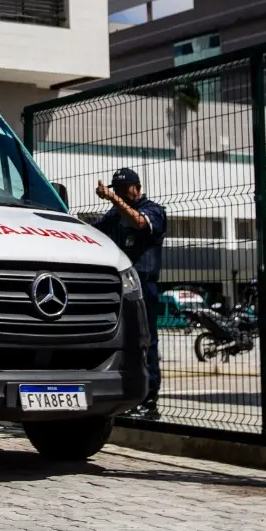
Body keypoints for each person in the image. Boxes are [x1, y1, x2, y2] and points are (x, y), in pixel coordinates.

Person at [94, 168, 167, 418]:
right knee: (120, 340)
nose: (122, 195)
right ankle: (123, 394)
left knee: (146, 340)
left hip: (144, 283)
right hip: (119, 283)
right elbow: (98, 230)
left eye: (125, 190)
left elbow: (139, 223)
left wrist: (114, 199)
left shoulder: (153, 210)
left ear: (137, 187)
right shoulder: (115, 214)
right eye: (117, 191)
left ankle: (149, 398)